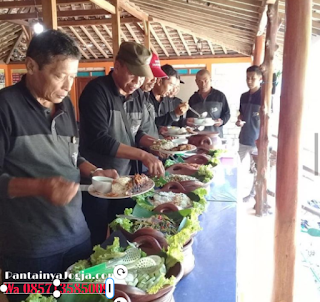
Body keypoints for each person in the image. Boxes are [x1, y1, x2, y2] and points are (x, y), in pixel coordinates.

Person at [0, 30, 117, 302]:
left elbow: (71, 156)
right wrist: (40, 187)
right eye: (59, 75)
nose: (67, 86)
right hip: (29, 248)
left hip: (77, 236)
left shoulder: (64, 105)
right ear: (30, 66)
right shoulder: (5, 107)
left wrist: (94, 171)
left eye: (73, 76)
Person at [79, 42, 165, 244]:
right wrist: (143, 155)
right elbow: (99, 139)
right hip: (100, 183)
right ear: (117, 65)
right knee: (97, 237)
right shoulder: (96, 92)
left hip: (127, 182)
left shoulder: (137, 97)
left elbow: (138, 132)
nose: (137, 81)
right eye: (133, 74)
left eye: (142, 75)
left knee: (124, 234)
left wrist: (156, 146)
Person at [236, 65, 262, 202]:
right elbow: (241, 115)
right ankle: (238, 190)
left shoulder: (264, 96)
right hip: (243, 138)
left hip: (257, 140)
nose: (250, 81)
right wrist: (239, 120)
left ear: (260, 79)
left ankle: (253, 194)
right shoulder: (243, 96)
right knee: (238, 166)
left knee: (256, 170)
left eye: (253, 78)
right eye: (248, 78)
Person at [186, 69, 230, 137]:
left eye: (206, 81)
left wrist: (221, 121)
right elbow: (188, 118)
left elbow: (227, 114)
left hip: (215, 136)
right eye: (200, 81)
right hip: (197, 137)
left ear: (210, 79)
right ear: (196, 82)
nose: (203, 84)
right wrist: (189, 122)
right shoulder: (193, 99)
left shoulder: (220, 96)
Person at [148, 64, 189, 130]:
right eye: (171, 85)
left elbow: (170, 124)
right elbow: (149, 125)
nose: (172, 89)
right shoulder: (145, 99)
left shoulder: (167, 100)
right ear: (159, 81)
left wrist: (185, 127)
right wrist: (174, 114)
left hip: (165, 140)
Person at [140, 53, 168, 138]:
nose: (154, 80)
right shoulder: (131, 98)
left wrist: (159, 130)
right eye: (151, 75)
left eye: (156, 77)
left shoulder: (145, 96)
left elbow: (147, 128)